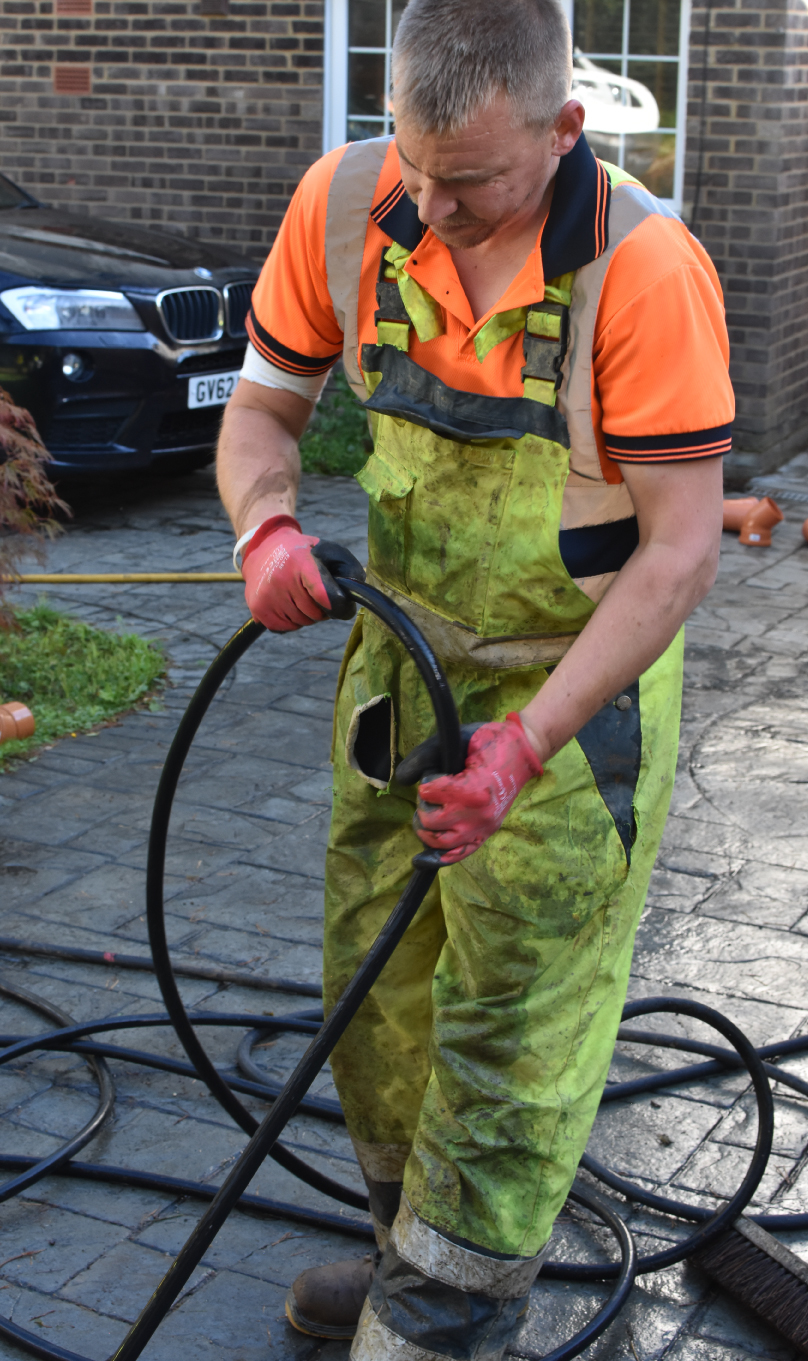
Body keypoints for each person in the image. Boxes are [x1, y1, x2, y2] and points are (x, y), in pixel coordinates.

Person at [216, 1, 734, 1356]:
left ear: (565, 133)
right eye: (419, 168)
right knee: (374, 988)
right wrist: (263, 521)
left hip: (575, 706)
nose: (437, 208)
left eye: (480, 181)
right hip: (403, 673)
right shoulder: (346, 206)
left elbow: (678, 560)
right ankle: (410, 1254)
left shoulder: (647, 272)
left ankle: (449, 1314)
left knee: (514, 1009)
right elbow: (262, 410)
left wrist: (522, 748)